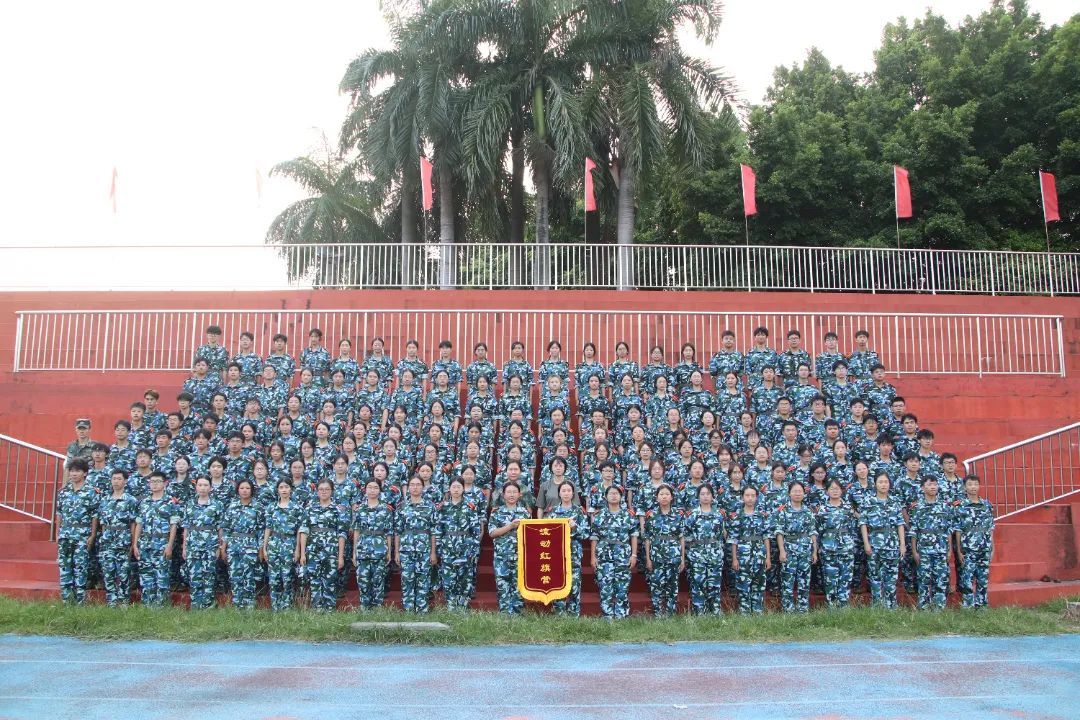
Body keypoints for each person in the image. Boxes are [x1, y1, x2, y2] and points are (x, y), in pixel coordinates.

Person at [299, 479, 349, 611]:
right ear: (317, 491)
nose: (324, 492)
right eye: (321, 489)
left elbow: (342, 534)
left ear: (332, 491)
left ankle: (329, 611)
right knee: (314, 581)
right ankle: (316, 610)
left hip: (331, 551)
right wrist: (303, 553)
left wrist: (340, 556)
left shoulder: (339, 510)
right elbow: (304, 531)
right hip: (313, 550)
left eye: (327, 489)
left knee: (330, 581)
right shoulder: (310, 509)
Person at [435, 477, 483, 611]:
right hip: (448, 547)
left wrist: (474, 549)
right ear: (449, 489)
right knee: (448, 578)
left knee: (465, 578)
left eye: (459, 487)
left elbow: (475, 531)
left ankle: (462, 606)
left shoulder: (470, 506)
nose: (456, 490)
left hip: (465, 547)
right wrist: (438, 548)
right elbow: (438, 530)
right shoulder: (443, 507)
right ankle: (451, 605)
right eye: (453, 487)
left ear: (463, 489)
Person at [590, 485, 638, 619]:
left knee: (622, 587)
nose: (613, 496)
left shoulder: (628, 515)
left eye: (616, 493)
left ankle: (621, 615)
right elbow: (594, 537)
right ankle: (607, 616)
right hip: (604, 555)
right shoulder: (599, 515)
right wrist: (593, 556)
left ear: (621, 497)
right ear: (605, 497)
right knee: (605, 586)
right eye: (611, 493)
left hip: (623, 555)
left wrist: (634, 555)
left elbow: (634, 535)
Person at [56, 459, 100, 604]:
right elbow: (59, 514)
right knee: (65, 567)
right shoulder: (63, 492)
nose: (74, 474)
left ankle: (80, 601)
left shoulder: (91, 492)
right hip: (65, 534)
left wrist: (92, 535)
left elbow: (95, 516)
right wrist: (58, 533)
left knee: (80, 568)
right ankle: (67, 601)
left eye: (77, 471)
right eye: (72, 471)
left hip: (82, 535)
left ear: (85, 473)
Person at [860, 472, 906, 608]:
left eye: (886, 482)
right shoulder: (868, 501)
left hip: (892, 544)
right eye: (880, 482)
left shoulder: (894, 501)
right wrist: (866, 543)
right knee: (875, 577)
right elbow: (863, 524)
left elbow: (900, 524)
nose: (883, 485)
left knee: (891, 577)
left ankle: (891, 606)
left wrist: (902, 544)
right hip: (875, 543)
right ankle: (877, 606)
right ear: (875, 484)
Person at [132, 472, 177, 607]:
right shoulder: (144, 502)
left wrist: (169, 545)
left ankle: (161, 607)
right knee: (146, 577)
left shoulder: (170, 502)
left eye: (158, 481)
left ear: (165, 483)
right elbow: (139, 524)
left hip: (162, 544)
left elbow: (173, 525)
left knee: (162, 577)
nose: (154, 484)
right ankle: (147, 606)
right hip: (145, 544)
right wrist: (135, 544)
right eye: (152, 482)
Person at [910, 475, 954, 610]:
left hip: (941, 549)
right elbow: (914, 532)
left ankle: (939, 607)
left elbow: (948, 530)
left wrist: (949, 549)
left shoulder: (945, 506)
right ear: (923, 488)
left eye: (935, 484)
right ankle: (923, 607)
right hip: (924, 549)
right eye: (929, 485)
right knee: (924, 579)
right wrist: (914, 551)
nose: (933, 487)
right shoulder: (917, 507)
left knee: (940, 579)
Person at [395, 476, 438, 613]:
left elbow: (433, 531)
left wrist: (433, 552)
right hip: (406, 549)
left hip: (424, 549)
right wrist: (396, 552)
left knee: (423, 579)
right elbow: (398, 531)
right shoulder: (401, 506)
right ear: (408, 487)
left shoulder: (430, 506)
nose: (415, 487)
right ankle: (408, 610)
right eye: (412, 484)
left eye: (418, 484)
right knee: (407, 580)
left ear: (422, 487)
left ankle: (422, 610)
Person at [182, 476, 225, 609]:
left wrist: (219, 547)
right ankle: (196, 603)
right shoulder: (190, 504)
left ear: (210, 488)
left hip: (210, 545)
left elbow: (220, 527)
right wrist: (184, 547)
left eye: (206, 485)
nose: (202, 488)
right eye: (200, 485)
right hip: (192, 545)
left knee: (209, 574)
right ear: (196, 487)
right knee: (194, 575)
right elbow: (186, 527)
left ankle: (208, 603)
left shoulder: (217, 505)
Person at [96, 469, 138, 606]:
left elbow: (133, 523)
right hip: (107, 540)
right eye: (114, 478)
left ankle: (124, 601)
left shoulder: (131, 500)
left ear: (125, 481)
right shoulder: (105, 500)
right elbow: (102, 523)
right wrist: (104, 537)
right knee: (108, 572)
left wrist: (133, 542)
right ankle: (112, 601)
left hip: (123, 539)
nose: (116, 481)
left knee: (124, 573)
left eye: (119, 479)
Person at [775, 481, 818, 613]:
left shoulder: (808, 511)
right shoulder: (783, 511)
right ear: (789, 493)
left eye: (800, 491)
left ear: (804, 494)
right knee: (787, 581)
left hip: (805, 549)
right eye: (794, 491)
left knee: (804, 581)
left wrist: (814, 551)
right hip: (789, 548)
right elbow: (779, 533)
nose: (797, 494)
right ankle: (788, 609)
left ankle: (802, 609)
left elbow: (812, 532)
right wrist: (782, 551)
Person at [261, 479, 303, 610]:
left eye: (286, 487)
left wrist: (297, 549)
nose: (284, 490)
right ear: (277, 490)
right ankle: (276, 607)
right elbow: (268, 527)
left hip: (290, 544)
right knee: (274, 578)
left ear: (291, 489)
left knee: (288, 578)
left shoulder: (297, 508)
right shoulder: (271, 507)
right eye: (281, 487)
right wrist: (265, 547)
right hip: (274, 543)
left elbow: (299, 531)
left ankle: (287, 607)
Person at [221, 478, 264, 609]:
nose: (244, 491)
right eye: (242, 488)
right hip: (234, 545)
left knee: (249, 575)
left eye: (247, 488)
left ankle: (249, 604)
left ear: (252, 490)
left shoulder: (258, 507)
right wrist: (223, 548)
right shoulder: (232, 506)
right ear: (237, 490)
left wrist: (261, 549)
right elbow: (226, 529)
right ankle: (237, 604)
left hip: (250, 544)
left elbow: (261, 530)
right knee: (235, 575)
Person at [683, 484, 726, 615]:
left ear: (712, 496)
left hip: (715, 554)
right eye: (702, 494)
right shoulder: (692, 515)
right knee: (698, 584)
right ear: (698, 496)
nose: (705, 496)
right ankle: (699, 612)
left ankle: (715, 611)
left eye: (708, 494)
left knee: (714, 584)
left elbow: (721, 535)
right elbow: (686, 536)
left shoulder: (719, 514)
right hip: (697, 554)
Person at [488, 483, 531, 615]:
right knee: (503, 587)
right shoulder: (496, 512)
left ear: (519, 495)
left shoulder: (525, 513)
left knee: (519, 587)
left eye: (514, 492)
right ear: (503, 495)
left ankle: (518, 615)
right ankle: (505, 615)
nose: (511, 495)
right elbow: (492, 533)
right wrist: (510, 526)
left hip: (520, 556)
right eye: (509, 492)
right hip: (502, 556)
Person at [728, 485, 771, 614]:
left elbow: (766, 537)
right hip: (742, 556)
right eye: (747, 495)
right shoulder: (737, 516)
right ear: (742, 497)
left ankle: (757, 612)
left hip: (759, 555)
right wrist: (734, 559)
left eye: (753, 495)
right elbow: (733, 539)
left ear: (757, 497)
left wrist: (768, 557)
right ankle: (744, 613)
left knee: (759, 584)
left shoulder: (762, 515)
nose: (750, 498)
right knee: (743, 585)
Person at [954, 474, 995, 609]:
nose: (973, 487)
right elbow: (958, 530)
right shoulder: (960, 506)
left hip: (984, 547)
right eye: (970, 484)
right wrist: (959, 550)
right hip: (968, 549)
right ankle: (968, 606)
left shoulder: (987, 505)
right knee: (967, 579)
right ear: (964, 487)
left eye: (976, 484)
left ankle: (982, 606)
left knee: (983, 579)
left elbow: (990, 528)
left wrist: (992, 547)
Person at [815, 479, 857, 607]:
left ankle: (843, 605)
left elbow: (853, 528)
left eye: (837, 488)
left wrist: (851, 543)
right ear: (827, 491)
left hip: (846, 548)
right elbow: (818, 530)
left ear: (842, 491)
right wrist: (818, 547)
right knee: (830, 578)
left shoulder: (848, 508)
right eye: (832, 489)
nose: (834, 491)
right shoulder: (822, 510)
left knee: (846, 577)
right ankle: (832, 605)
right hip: (828, 548)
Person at [643, 484, 683, 617]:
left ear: (671, 497)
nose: (664, 497)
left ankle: (670, 614)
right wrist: (648, 559)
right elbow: (647, 538)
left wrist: (682, 558)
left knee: (672, 587)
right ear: (657, 498)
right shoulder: (651, 515)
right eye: (661, 494)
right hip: (656, 556)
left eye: (667, 494)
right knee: (656, 587)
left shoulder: (678, 515)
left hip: (674, 556)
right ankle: (658, 614)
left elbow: (681, 537)